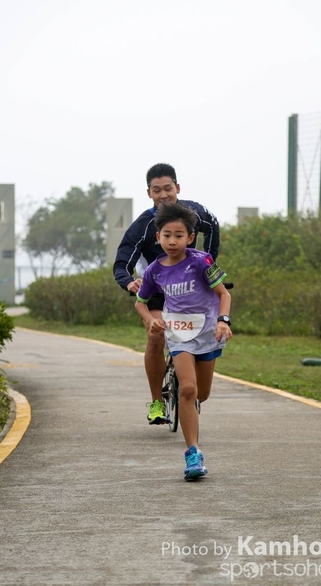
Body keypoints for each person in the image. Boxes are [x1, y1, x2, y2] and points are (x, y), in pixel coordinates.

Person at [113, 163, 220, 425]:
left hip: (191, 288)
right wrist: (129, 282)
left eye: (168, 188)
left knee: (201, 384)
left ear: (177, 188)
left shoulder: (195, 212)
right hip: (158, 290)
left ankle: (191, 383)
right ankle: (157, 403)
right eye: (156, 190)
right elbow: (122, 263)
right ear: (149, 193)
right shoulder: (142, 225)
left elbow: (214, 226)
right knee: (156, 335)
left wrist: (209, 267)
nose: (163, 195)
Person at [134, 203, 232, 480]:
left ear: (190, 238)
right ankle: (193, 454)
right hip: (178, 335)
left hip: (207, 332)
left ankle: (189, 399)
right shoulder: (154, 270)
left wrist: (223, 321)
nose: (172, 241)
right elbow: (141, 303)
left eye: (179, 235)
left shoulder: (202, 262)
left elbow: (224, 294)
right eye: (167, 235)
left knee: (202, 394)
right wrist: (150, 320)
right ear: (158, 237)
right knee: (188, 389)